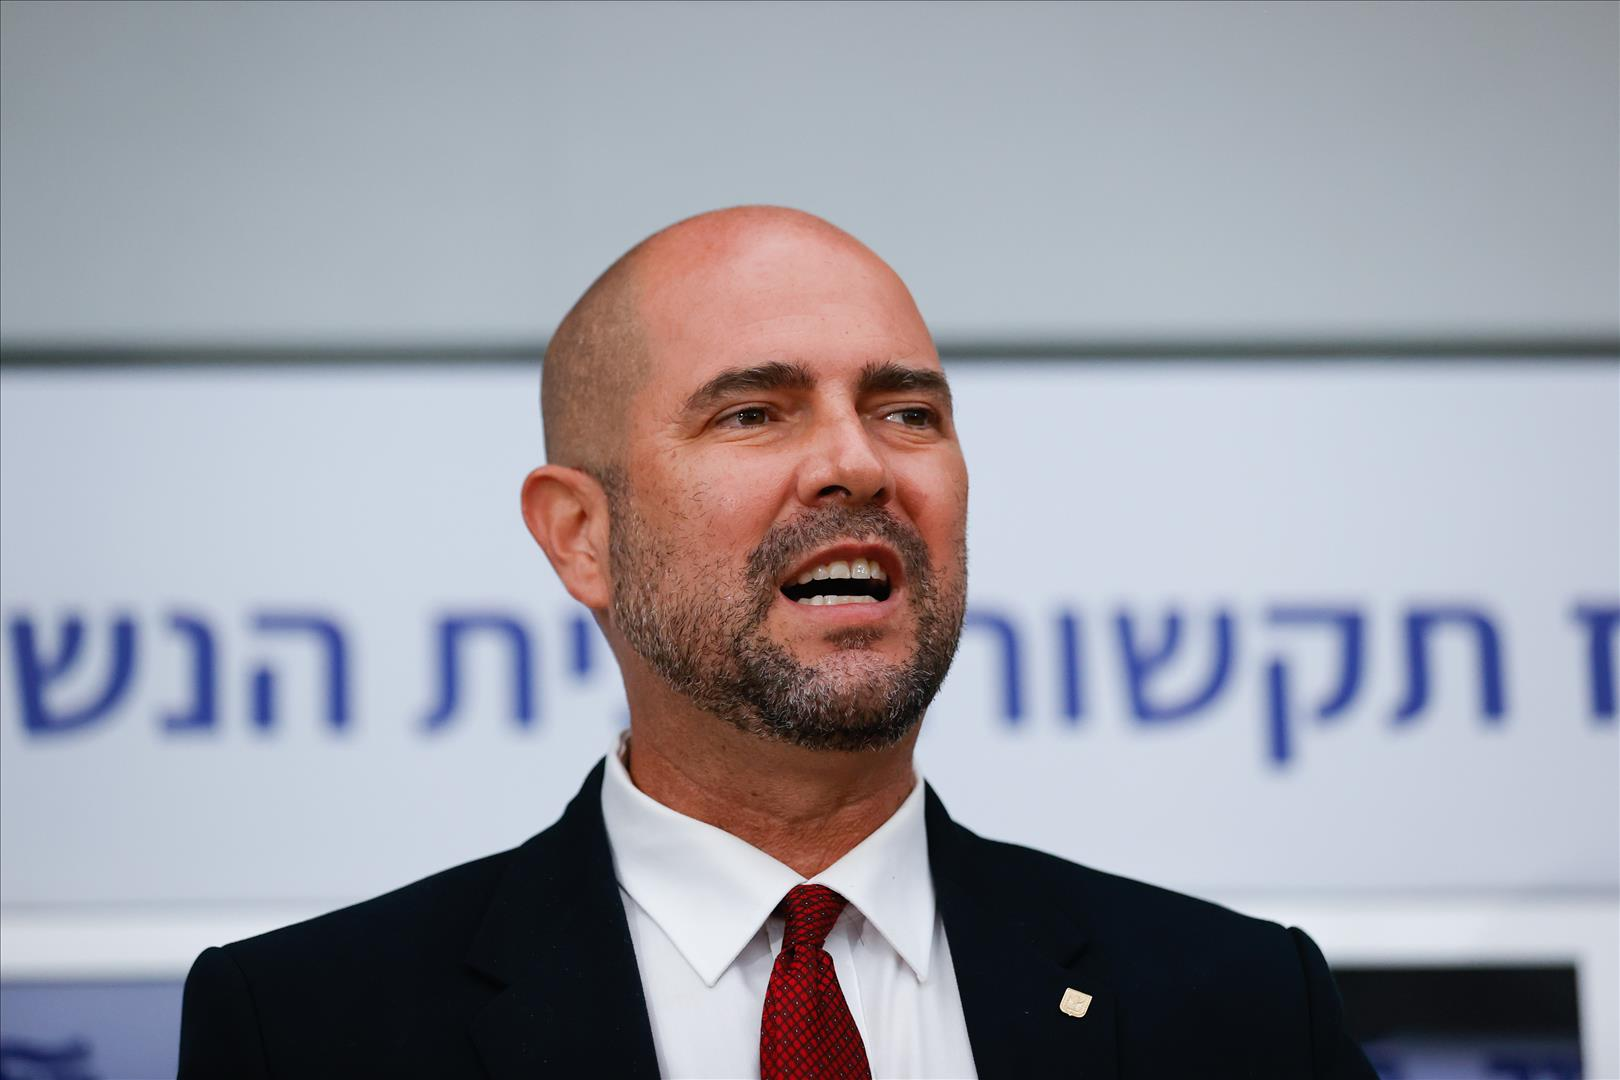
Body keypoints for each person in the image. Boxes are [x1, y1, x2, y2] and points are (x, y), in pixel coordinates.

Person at [178, 206, 1376, 1079]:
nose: (858, 462)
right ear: (582, 537)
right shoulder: (310, 1030)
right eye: (754, 412)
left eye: (907, 412)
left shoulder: (1245, 1012)